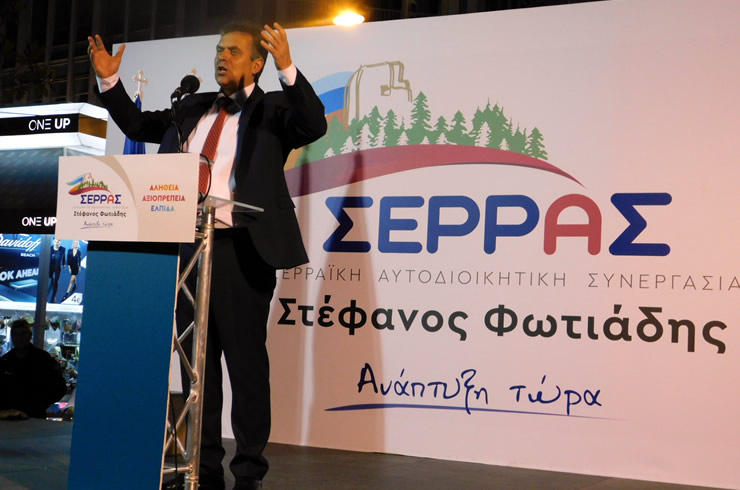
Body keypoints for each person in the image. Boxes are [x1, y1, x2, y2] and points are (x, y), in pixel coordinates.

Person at [87, 21, 326, 490]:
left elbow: (313, 123)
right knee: (198, 367)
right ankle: (204, 468)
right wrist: (109, 81)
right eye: (219, 50)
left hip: (241, 249)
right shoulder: (191, 107)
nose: (222, 57)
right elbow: (137, 125)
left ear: (256, 64)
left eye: (233, 52)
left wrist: (287, 67)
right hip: (187, 250)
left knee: (245, 366)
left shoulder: (273, 109)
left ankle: (249, 472)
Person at [0, 319, 67, 419]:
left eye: (23, 334)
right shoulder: (6, 360)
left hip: (34, 416)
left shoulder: (43, 359)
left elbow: (60, 387)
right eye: (15, 334)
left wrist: (40, 405)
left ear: (30, 335)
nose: (19, 338)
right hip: (9, 417)